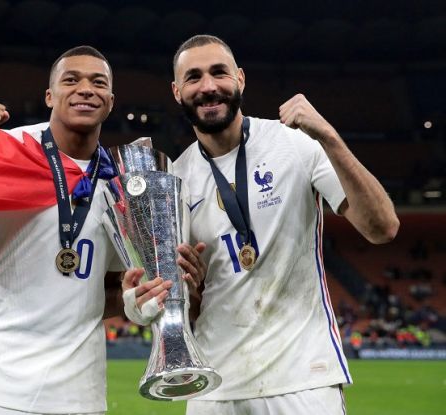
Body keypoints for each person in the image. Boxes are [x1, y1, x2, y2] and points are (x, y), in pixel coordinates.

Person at [0, 45, 203, 415]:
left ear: (111, 101)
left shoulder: (124, 181)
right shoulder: (9, 152)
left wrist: (135, 303)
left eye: (98, 82)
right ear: (50, 95)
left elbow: (109, 291)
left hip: (79, 395)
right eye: (71, 80)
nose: (86, 88)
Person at [127, 34, 399, 415]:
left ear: (240, 78)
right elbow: (181, 303)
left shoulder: (295, 144)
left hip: (303, 379)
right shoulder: (174, 179)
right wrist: (156, 298)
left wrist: (329, 137)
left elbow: (382, 227)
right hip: (213, 387)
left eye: (219, 72)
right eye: (194, 77)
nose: (208, 86)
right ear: (177, 91)